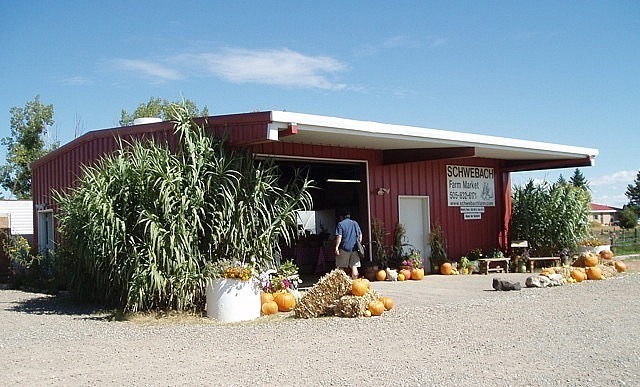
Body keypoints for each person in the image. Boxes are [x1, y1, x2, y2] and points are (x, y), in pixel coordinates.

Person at [334, 210, 362, 279]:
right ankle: (355, 283)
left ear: (341, 217)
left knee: (341, 267)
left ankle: (344, 284)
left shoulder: (340, 224)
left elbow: (339, 236)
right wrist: (359, 244)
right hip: (354, 248)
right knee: (354, 266)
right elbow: (360, 235)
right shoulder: (355, 223)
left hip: (344, 248)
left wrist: (336, 247)